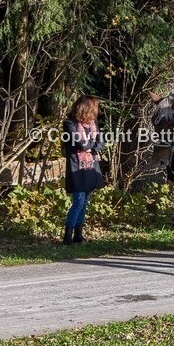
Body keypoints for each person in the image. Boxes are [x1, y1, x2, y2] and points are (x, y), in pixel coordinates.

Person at [61, 95, 106, 245]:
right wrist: (92, 147)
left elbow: (101, 143)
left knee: (85, 201)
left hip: (91, 166)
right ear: (86, 108)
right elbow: (81, 143)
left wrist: (92, 147)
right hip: (77, 167)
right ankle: (68, 236)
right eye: (94, 108)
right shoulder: (69, 124)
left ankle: (78, 235)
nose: (96, 111)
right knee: (78, 201)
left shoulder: (92, 124)